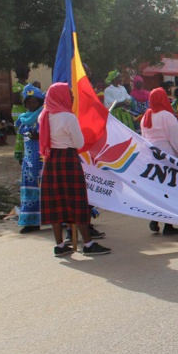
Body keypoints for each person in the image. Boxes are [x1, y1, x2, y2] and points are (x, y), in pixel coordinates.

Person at [38, 83, 111, 257]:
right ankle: (88, 244)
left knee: (55, 203)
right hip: (68, 160)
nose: (72, 98)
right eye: (69, 95)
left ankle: (60, 245)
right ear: (61, 97)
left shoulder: (43, 115)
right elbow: (79, 143)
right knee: (77, 201)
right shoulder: (68, 117)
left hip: (50, 162)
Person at [141, 87, 178, 235]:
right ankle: (168, 225)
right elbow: (176, 138)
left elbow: (143, 138)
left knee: (157, 189)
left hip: (151, 157)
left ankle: (154, 219)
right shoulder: (167, 116)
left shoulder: (146, 116)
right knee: (170, 189)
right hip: (166, 156)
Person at [16, 85, 45, 233]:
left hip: (42, 161)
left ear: (40, 102)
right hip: (28, 162)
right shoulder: (22, 119)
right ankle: (31, 222)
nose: (31, 104)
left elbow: (52, 136)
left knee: (46, 188)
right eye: (29, 102)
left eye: (34, 102)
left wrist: (39, 137)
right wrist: (19, 154)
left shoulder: (44, 117)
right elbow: (19, 140)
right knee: (29, 190)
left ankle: (56, 219)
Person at [11, 65, 30, 162]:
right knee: (20, 133)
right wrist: (27, 101)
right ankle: (20, 156)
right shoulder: (17, 86)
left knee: (26, 132)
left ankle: (26, 153)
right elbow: (15, 101)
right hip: (18, 112)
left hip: (26, 112)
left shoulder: (28, 85)